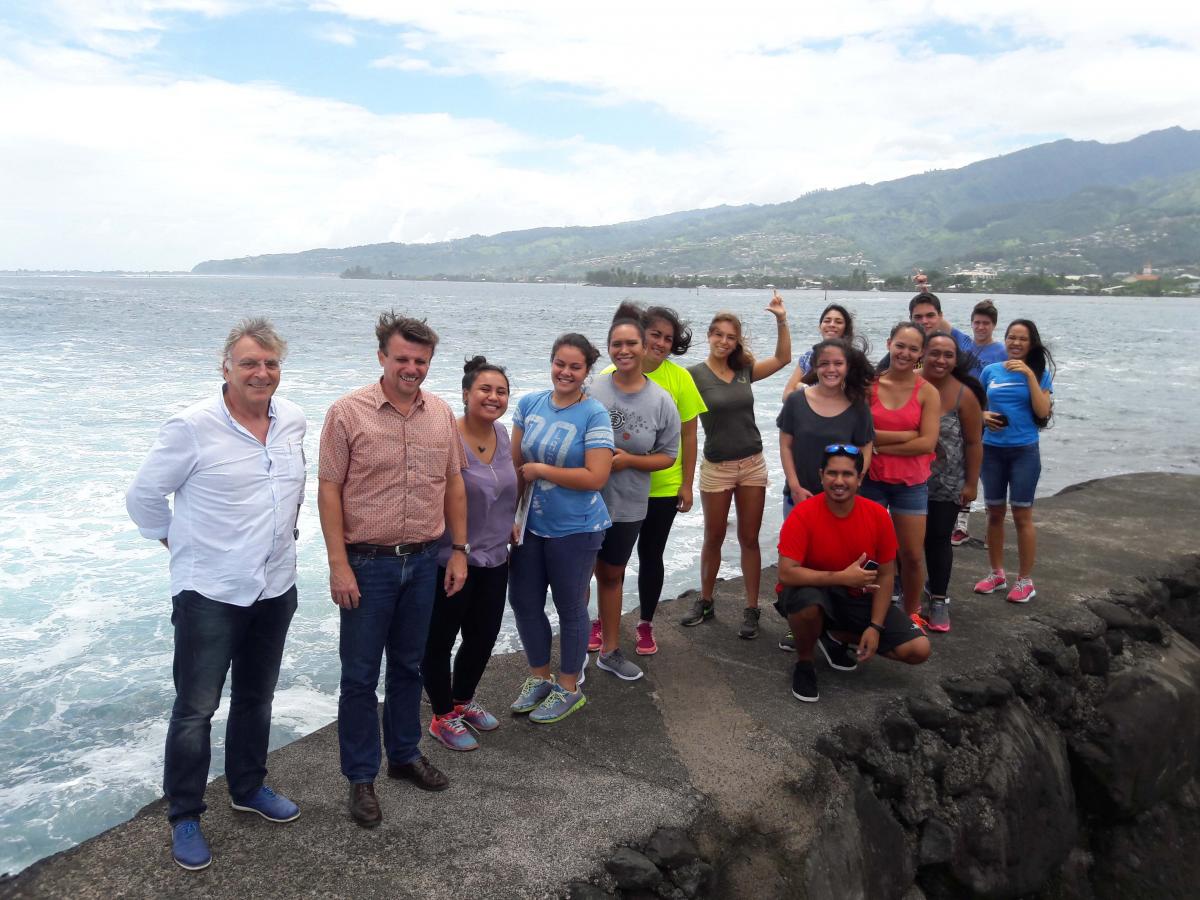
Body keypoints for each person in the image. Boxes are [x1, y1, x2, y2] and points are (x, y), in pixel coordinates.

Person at [126, 318, 305, 871]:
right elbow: (143, 499)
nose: (261, 372)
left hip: (275, 585)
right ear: (224, 367)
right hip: (210, 592)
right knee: (196, 708)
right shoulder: (192, 426)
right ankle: (184, 814)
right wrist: (181, 548)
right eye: (249, 362)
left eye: (270, 363)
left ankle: (247, 787)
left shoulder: (292, 420)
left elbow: (288, 491)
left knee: (256, 697)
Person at [318, 312, 468, 829]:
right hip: (367, 564)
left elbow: (453, 483)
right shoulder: (347, 412)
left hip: (425, 560)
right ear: (381, 356)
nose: (411, 368)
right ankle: (361, 778)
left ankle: (403, 756)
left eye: (420, 361)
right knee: (359, 678)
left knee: (408, 666)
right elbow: (329, 489)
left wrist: (459, 550)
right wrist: (338, 564)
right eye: (401, 358)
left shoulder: (441, 413)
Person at [508, 334, 614, 723]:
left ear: (587, 372)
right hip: (531, 525)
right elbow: (515, 467)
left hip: (577, 527)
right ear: (551, 362)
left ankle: (569, 686)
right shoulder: (529, 404)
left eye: (575, 366)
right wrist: (510, 518)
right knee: (523, 601)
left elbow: (597, 476)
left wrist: (542, 471)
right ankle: (539, 677)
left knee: (570, 606)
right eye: (560, 363)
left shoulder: (594, 414)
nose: (565, 372)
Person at [776, 445, 931, 703]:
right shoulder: (802, 514)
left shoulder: (878, 515)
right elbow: (786, 574)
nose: (839, 481)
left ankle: (833, 635)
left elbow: (884, 575)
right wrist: (840, 577)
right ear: (821, 476)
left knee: (918, 649)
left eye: (847, 474)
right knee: (807, 605)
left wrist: (875, 627)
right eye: (832, 473)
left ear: (860, 479)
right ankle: (805, 662)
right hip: (812, 591)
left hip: (856, 596)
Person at [421, 356, 519, 752]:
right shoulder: (447, 437)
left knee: (482, 637)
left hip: (496, 556)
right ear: (466, 394)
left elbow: (504, 486)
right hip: (452, 559)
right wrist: (456, 549)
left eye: (501, 391)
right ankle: (441, 715)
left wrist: (508, 519)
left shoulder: (503, 436)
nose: (493, 397)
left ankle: (462, 701)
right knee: (439, 639)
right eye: (485, 389)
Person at [600, 304, 706, 656]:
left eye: (668, 338)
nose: (661, 343)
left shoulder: (680, 380)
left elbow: (689, 436)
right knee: (607, 558)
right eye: (655, 335)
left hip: (661, 485)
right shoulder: (608, 375)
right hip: (614, 487)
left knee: (651, 554)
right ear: (640, 336)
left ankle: (645, 623)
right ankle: (601, 620)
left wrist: (687, 484)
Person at [685, 293, 791, 639]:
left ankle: (751, 607)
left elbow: (783, 358)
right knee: (713, 537)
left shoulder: (744, 370)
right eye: (718, 335)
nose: (724, 341)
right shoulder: (693, 376)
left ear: (736, 341)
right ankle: (705, 600)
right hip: (716, 467)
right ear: (709, 335)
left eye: (731, 337)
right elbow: (665, 404)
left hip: (752, 464)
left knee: (749, 538)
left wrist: (780, 319)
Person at [588, 317, 681, 680]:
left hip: (629, 502)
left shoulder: (661, 400)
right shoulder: (594, 388)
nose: (623, 350)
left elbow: (668, 454)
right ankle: (573, 654)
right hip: (585, 501)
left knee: (612, 574)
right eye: (616, 344)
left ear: (645, 348)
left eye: (631, 344)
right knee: (578, 576)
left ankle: (609, 652)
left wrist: (629, 461)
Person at [862, 322, 939, 621]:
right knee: (872, 554)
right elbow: (861, 432)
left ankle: (912, 613)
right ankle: (869, 614)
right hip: (872, 480)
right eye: (900, 346)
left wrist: (880, 444)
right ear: (889, 344)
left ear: (921, 353)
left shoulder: (927, 392)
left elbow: (927, 442)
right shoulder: (870, 386)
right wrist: (907, 435)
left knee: (911, 555)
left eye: (913, 348)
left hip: (911, 483)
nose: (905, 353)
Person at [973, 319, 1055, 604]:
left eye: (1022, 339)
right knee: (993, 512)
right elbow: (976, 406)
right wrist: (982, 416)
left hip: (1024, 451)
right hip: (992, 451)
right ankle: (996, 573)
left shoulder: (1041, 375)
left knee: (1022, 515)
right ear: (1004, 340)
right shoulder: (990, 371)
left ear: (1031, 343)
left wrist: (1030, 377)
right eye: (1011, 337)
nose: (1015, 343)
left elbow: (1042, 411)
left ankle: (1025, 580)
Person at [919, 333, 985, 632]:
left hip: (947, 482)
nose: (941, 360)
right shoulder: (909, 384)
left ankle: (939, 598)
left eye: (948, 355)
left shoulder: (964, 395)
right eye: (935, 353)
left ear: (956, 360)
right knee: (904, 543)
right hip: (907, 479)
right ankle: (900, 596)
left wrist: (971, 484)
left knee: (938, 540)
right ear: (923, 353)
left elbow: (973, 442)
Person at [951, 299, 1007, 545]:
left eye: (985, 323)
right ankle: (961, 527)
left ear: (994, 325)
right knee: (964, 471)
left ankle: (992, 529)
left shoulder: (1002, 352)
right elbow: (935, 321)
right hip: (963, 414)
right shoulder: (963, 344)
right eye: (977, 322)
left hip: (990, 418)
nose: (980, 327)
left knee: (989, 474)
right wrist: (924, 289)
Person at [781, 304, 869, 400]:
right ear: (820, 327)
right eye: (827, 321)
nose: (831, 325)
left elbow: (851, 398)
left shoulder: (854, 359)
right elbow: (786, 397)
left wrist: (803, 388)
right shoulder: (808, 357)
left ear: (846, 328)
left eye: (838, 322)